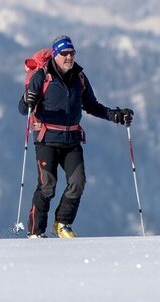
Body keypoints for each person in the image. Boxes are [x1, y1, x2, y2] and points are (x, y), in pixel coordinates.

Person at [19, 35, 133, 238]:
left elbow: (92, 106)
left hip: (72, 140)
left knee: (78, 182)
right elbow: (23, 108)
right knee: (47, 186)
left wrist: (115, 115)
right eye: (64, 53)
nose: (69, 57)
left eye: (72, 53)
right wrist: (28, 99)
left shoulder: (79, 77)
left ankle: (62, 223)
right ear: (55, 55)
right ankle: (35, 231)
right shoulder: (42, 76)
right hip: (46, 139)